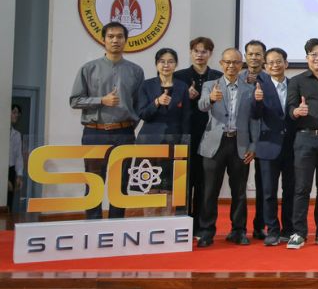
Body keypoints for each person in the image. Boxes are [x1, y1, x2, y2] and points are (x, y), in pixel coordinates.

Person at [69, 21, 145, 219]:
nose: (115, 40)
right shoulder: (88, 69)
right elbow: (75, 101)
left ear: (126, 40)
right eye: (111, 36)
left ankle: (116, 224)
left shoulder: (136, 71)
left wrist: (128, 125)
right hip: (94, 132)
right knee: (93, 182)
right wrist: (101, 100)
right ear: (103, 40)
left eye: (119, 36)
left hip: (124, 133)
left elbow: (139, 105)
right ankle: (93, 224)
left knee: (121, 183)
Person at [196, 48, 261, 247]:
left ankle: (238, 231)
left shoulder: (249, 89)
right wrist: (210, 98)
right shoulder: (210, 85)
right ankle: (206, 231)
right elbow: (201, 106)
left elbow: (254, 120)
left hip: (239, 144)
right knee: (210, 191)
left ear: (241, 65)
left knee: (239, 191)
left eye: (235, 62)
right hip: (215, 144)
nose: (231, 66)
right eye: (227, 62)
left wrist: (253, 145)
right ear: (221, 64)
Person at [285, 38, 318, 249]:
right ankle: (298, 232)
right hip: (304, 139)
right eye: (313, 54)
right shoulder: (297, 81)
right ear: (307, 57)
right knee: (302, 188)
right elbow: (290, 108)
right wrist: (296, 111)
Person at [136, 48, 192, 209]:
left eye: (170, 62)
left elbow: (186, 117)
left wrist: (184, 144)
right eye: (162, 61)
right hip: (150, 142)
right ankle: (149, 221)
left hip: (174, 143)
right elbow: (142, 114)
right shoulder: (146, 85)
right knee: (150, 185)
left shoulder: (182, 87)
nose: (166, 65)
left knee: (169, 187)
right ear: (156, 64)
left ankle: (167, 220)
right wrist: (156, 102)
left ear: (176, 65)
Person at [174, 37, 222, 222]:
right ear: (190, 52)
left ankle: (201, 223)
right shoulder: (179, 76)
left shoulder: (218, 76)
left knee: (206, 181)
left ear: (210, 54)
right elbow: (171, 105)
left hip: (210, 133)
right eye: (196, 51)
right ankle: (183, 221)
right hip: (186, 133)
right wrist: (184, 96)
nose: (199, 55)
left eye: (204, 51)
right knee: (185, 179)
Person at [254, 47, 296, 245]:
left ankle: (288, 229)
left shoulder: (295, 85)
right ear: (265, 66)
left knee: (290, 191)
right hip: (267, 146)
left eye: (279, 61)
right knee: (268, 192)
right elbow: (254, 115)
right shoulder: (259, 86)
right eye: (270, 62)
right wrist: (257, 102)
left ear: (286, 63)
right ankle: (272, 230)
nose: (275, 65)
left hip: (292, 147)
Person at [242, 39, 269, 240]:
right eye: (250, 54)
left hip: (264, 139)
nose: (254, 58)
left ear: (264, 57)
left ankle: (260, 226)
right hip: (240, 139)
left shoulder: (270, 80)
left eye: (258, 54)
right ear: (245, 56)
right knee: (239, 187)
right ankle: (238, 228)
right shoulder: (236, 78)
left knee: (263, 186)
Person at [8, 104, 24, 212]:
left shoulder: (17, 134)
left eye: (18, 113)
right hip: (1, 170)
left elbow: (18, 156)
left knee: (8, 202)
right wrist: (3, 179)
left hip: (11, 171)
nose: (16, 115)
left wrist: (19, 175)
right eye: (14, 112)